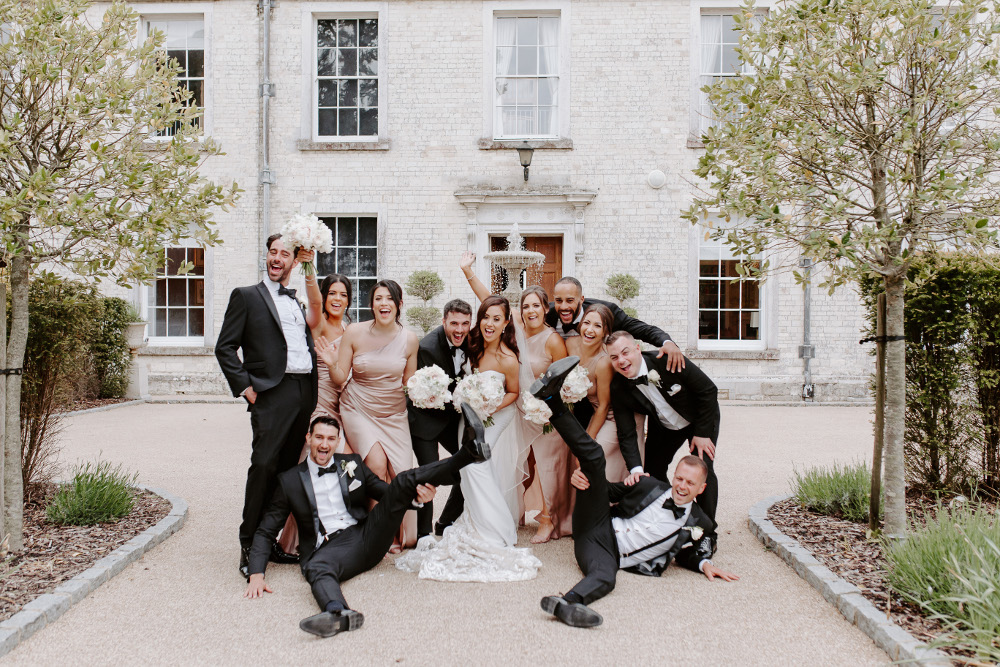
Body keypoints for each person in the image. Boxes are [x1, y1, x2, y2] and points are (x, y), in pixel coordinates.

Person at [529, 358, 738, 628]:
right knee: (594, 458)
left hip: (606, 553)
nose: (682, 486)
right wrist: (584, 480)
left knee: (606, 578)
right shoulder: (650, 486)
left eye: (690, 483)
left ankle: (566, 603)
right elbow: (607, 490)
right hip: (597, 524)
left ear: (701, 489)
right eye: (679, 478)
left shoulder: (700, 521)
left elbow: (689, 551)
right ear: (673, 476)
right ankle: (550, 397)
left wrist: (703, 564)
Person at [244, 410, 491, 638]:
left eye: (330, 439)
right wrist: (256, 573)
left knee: (401, 481)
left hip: (368, 534)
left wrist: (416, 500)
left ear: (337, 441)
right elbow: (266, 530)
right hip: (329, 549)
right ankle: (338, 613)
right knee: (318, 568)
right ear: (309, 438)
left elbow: (387, 492)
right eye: (319, 437)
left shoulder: (351, 463)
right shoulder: (289, 481)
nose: (324, 444)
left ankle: (467, 454)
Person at [395, 296, 541, 581]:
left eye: (496, 319)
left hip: (492, 414)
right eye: (486, 318)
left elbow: (513, 393)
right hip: (447, 417)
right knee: (451, 468)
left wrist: (488, 406)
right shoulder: (467, 344)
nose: (488, 323)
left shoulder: (508, 358)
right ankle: (433, 529)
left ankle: (489, 527)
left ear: (506, 322)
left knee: (475, 465)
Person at [215, 234, 318, 579]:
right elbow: (225, 347)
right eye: (273, 252)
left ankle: (268, 539)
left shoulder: (295, 301)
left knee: (286, 471)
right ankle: (248, 543)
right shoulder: (246, 296)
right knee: (263, 466)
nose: (277, 258)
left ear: (293, 261)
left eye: (284, 254)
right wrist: (246, 387)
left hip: (303, 391)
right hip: (271, 393)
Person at [459, 253, 573, 544]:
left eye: (536, 305)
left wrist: (548, 410)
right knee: (521, 461)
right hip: (517, 409)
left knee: (544, 464)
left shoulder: (553, 339)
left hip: (541, 412)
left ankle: (547, 518)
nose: (531, 310)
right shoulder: (516, 329)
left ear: (545, 309)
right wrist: (468, 271)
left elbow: (562, 380)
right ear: (519, 312)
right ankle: (516, 511)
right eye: (526, 306)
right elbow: (488, 302)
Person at [323, 280, 419, 552]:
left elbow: (409, 382)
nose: (384, 303)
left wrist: (428, 390)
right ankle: (378, 535)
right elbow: (340, 377)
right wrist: (331, 364)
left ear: (399, 304)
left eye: (389, 298)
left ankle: (399, 531)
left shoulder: (410, 339)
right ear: (371, 304)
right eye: (378, 298)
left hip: (393, 412)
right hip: (358, 407)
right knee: (376, 464)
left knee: (401, 472)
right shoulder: (354, 332)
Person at [275, 273, 354, 563]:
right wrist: (309, 266)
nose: (337, 299)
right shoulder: (318, 324)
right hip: (319, 402)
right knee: (317, 460)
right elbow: (314, 302)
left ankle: (337, 529)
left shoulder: (350, 329)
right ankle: (298, 539)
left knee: (346, 465)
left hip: (343, 404)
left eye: (343, 294)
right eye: (332, 293)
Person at [607, 331, 722, 520]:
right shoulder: (618, 387)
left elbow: (708, 390)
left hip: (699, 418)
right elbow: (626, 433)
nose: (621, 360)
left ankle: (706, 527)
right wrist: (636, 470)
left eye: (625, 352)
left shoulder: (667, 360)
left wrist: (702, 433)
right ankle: (672, 515)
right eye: (614, 357)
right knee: (652, 470)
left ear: (637, 349)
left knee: (703, 469)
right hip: (664, 425)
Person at [407, 299, 474, 539]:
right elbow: (423, 393)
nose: (460, 329)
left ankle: (446, 522)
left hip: (451, 418)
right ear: (444, 321)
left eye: (465, 323)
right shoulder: (428, 348)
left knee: (469, 464)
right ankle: (423, 534)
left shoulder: (471, 341)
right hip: (425, 419)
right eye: (454, 323)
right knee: (428, 476)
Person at [565, 304, 641, 482]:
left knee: (590, 459)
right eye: (586, 323)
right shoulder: (569, 344)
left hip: (613, 415)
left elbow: (604, 406)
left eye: (597, 326)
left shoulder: (604, 362)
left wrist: (587, 442)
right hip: (593, 412)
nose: (589, 330)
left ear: (605, 332)